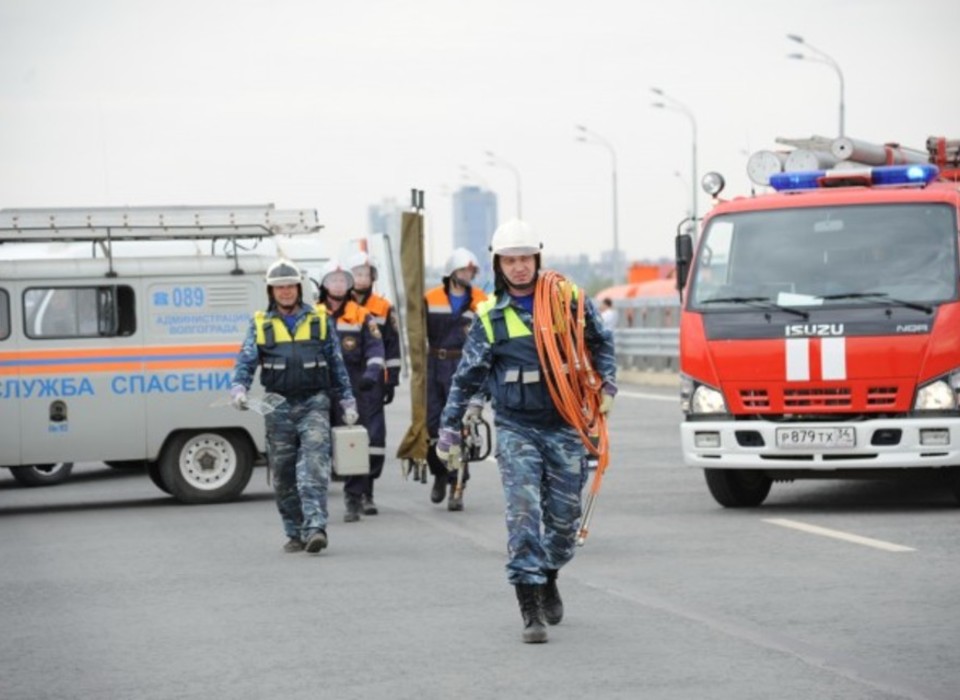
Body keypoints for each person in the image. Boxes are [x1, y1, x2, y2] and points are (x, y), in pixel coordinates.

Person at [435, 220, 616, 643]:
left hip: (565, 424)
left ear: (538, 259)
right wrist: (448, 429)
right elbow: (466, 378)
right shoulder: (488, 317)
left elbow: (601, 342)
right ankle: (530, 606)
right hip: (517, 428)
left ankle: (549, 571)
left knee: (564, 520)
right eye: (510, 260)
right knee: (523, 516)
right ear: (498, 265)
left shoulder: (568, 301)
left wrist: (607, 384)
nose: (519, 267)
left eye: (526, 259)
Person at [230, 258, 357, 555]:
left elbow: (337, 364)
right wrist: (239, 388)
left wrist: (347, 399)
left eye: (290, 286)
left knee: (313, 466)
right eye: (279, 288)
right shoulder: (261, 323)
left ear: (299, 289)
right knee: (284, 474)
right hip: (277, 406)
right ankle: (295, 530)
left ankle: (315, 528)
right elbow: (246, 362)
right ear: (271, 292)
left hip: (314, 402)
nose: (285, 292)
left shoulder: (319, 321)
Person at [318, 259, 386, 522]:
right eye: (333, 280)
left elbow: (375, 349)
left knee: (354, 443)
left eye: (342, 280)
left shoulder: (360, 314)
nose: (338, 284)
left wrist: (371, 376)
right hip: (321, 387)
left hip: (354, 388)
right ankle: (315, 496)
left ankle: (354, 497)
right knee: (318, 443)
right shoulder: (313, 314)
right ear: (324, 284)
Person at [424, 246, 487, 511]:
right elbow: (419, 333)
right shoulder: (431, 298)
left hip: (464, 366)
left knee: (460, 427)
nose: (468, 274)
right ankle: (438, 472)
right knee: (432, 427)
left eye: (471, 271)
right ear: (452, 272)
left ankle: (456, 485)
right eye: (463, 270)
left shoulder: (482, 300)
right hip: (435, 365)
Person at [346, 250, 402, 408]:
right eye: (358, 274)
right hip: (347, 373)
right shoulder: (340, 306)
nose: (362, 279)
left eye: (366, 275)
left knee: (374, 427)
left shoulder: (384, 307)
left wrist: (392, 380)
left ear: (373, 278)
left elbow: (392, 345)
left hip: (375, 374)